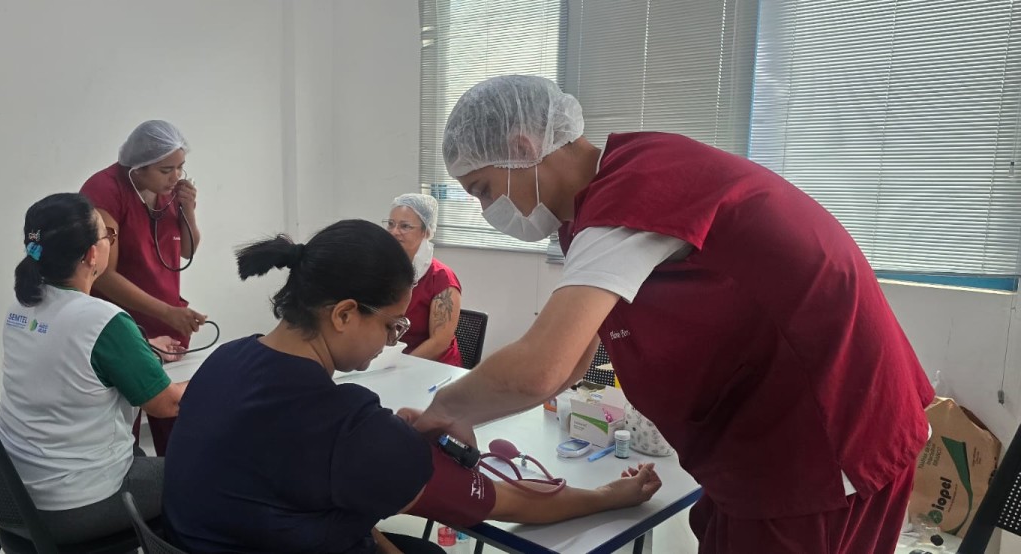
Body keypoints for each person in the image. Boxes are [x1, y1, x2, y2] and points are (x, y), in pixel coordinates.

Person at [409, 75, 936, 554]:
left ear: (522, 148)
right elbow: (572, 362)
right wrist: (466, 415)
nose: (487, 211)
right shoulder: (601, 204)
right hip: (763, 433)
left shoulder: (633, 194)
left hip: (828, 432)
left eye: (483, 190)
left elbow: (542, 365)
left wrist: (445, 410)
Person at [162, 220, 662, 554]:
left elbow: (293, 483)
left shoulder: (227, 359)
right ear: (343, 314)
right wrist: (609, 496)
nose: (394, 340)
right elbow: (513, 503)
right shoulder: (346, 427)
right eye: (392, 325)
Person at [0, 193, 186, 544]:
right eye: (107, 235)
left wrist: (138, 348)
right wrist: (219, 376)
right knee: (206, 474)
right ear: (91, 255)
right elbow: (168, 404)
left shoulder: (22, 305)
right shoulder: (102, 320)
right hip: (74, 503)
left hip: (13, 495)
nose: (111, 240)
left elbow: (68, 356)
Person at [81, 120, 205, 455]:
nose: (176, 177)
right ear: (138, 167)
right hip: (123, 324)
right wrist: (167, 313)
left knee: (176, 422)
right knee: (126, 424)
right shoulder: (105, 190)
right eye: (166, 170)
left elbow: (187, 250)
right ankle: (133, 482)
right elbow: (102, 274)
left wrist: (188, 211)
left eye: (180, 167)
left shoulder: (171, 193)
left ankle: (175, 481)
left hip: (170, 320)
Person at [385, 193, 463, 366]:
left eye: (405, 226)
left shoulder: (441, 277)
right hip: (392, 361)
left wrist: (399, 366)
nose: (394, 232)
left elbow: (439, 342)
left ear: (426, 232)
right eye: (390, 224)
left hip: (434, 367)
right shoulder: (384, 270)